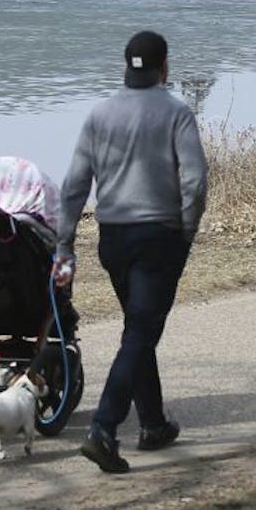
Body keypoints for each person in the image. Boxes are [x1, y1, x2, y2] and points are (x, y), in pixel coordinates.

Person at [53, 31, 208, 474]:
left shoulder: (100, 115)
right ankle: (104, 428)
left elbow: (74, 185)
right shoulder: (177, 113)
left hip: (113, 237)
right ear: (165, 67)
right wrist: (186, 230)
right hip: (158, 236)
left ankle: (154, 423)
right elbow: (195, 181)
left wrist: (65, 244)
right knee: (140, 332)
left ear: (125, 64)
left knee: (138, 328)